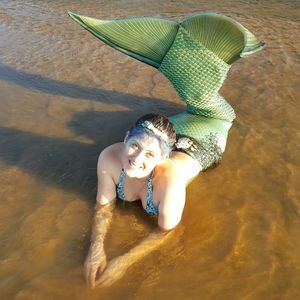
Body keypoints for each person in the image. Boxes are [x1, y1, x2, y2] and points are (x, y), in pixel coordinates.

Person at [84, 113, 203, 288]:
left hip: (200, 149)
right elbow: (103, 207)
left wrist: (125, 261)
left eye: (149, 154)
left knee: (217, 120)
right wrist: (96, 246)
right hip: (166, 140)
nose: (137, 159)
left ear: (163, 158)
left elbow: (165, 231)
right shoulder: (109, 158)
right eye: (134, 145)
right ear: (126, 138)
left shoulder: (170, 183)